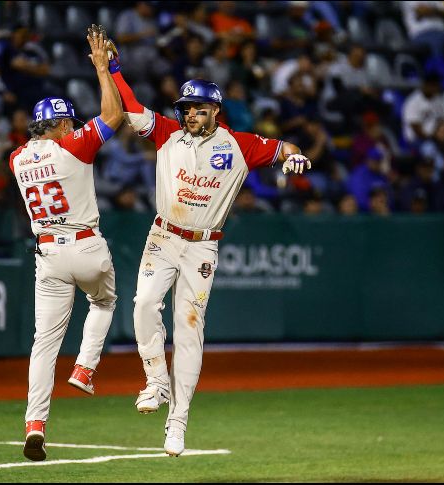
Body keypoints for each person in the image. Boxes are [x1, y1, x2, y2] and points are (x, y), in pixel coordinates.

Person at [103, 26, 312, 457]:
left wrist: (295, 157)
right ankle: (156, 381)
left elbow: (284, 148)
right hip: (163, 235)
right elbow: (131, 109)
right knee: (143, 304)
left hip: (202, 245)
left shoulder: (239, 145)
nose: (189, 115)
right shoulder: (167, 133)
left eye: (196, 108)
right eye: (185, 108)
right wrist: (114, 70)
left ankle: (178, 422)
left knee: (189, 330)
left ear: (215, 109)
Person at [8, 27, 124, 463]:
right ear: (59, 125)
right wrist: (102, 68)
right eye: (69, 122)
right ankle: (85, 368)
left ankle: (35, 423)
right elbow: (113, 114)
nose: (73, 127)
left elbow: (36, 149)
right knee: (104, 302)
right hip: (86, 245)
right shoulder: (73, 146)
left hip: (49, 254)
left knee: (43, 343)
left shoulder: (17, 158)